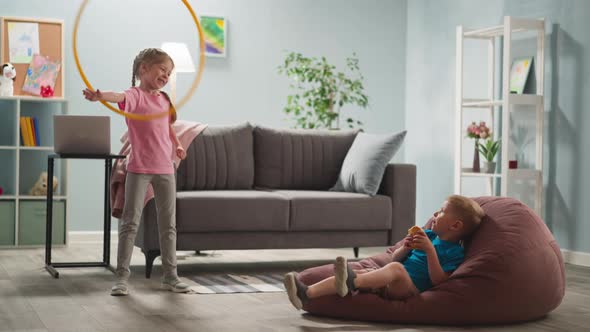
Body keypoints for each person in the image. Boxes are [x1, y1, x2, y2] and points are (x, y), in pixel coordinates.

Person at [83, 48, 190, 296]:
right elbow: (116, 95)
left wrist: (179, 144)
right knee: (130, 224)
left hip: (165, 168)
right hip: (139, 168)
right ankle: (121, 278)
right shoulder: (135, 96)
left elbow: (167, 126)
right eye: (162, 69)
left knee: (168, 225)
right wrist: (100, 96)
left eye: (169, 72)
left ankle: (170, 276)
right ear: (144, 68)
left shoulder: (164, 99)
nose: (166, 75)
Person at [283, 195, 485, 310]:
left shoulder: (456, 252)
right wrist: (405, 248)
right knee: (370, 271)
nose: (434, 214)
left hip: (409, 288)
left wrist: (430, 251)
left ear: (456, 225)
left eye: (441, 212)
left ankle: (351, 282)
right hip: (390, 281)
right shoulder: (429, 234)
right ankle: (307, 293)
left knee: (395, 269)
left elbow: (440, 281)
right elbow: (395, 258)